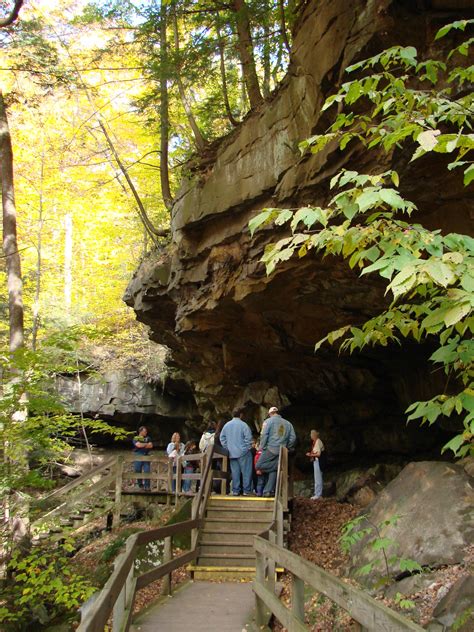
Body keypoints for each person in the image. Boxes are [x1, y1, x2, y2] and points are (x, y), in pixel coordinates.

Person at [256, 406, 296, 497]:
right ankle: (267, 491)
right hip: (282, 450)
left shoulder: (268, 422)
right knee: (272, 471)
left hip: (270, 449)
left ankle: (278, 466)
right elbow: (293, 438)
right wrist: (287, 447)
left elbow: (264, 435)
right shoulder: (288, 423)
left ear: (270, 414)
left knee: (259, 465)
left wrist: (261, 447)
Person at [219, 409, 253, 496]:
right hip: (243, 453)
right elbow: (249, 438)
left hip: (231, 453)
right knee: (246, 472)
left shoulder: (226, 425)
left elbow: (222, 438)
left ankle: (235, 490)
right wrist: (246, 448)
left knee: (235, 473)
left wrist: (227, 448)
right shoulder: (243, 425)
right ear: (241, 415)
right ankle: (246, 491)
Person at [133, 426, 153, 491]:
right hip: (138, 454)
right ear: (141, 432)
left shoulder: (148, 438)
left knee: (147, 470)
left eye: (146, 431)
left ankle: (147, 486)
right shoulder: (136, 438)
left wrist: (143, 445)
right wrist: (146, 444)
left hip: (146, 455)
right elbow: (138, 445)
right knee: (137, 469)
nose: (146, 432)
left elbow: (151, 445)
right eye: (145, 431)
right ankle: (140, 485)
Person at [306, 429, 324, 500]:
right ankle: (318, 493)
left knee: (318, 477)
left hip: (318, 461)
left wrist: (310, 454)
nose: (310, 436)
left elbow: (318, 454)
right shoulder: (315, 441)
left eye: (311, 434)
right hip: (316, 461)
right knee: (318, 477)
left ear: (314, 435)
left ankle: (318, 494)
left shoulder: (317, 441)